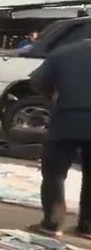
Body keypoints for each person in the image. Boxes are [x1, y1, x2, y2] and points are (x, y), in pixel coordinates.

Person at [29, 39, 91, 237]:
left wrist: (54, 97)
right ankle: (88, 226)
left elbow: (37, 82)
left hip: (66, 120)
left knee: (54, 173)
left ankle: (52, 223)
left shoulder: (64, 52)